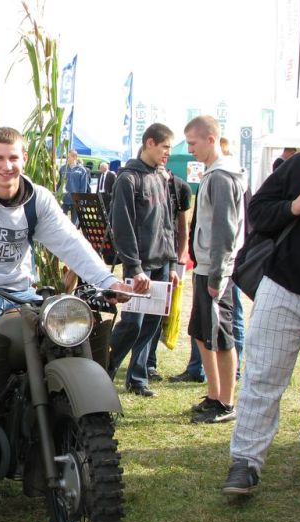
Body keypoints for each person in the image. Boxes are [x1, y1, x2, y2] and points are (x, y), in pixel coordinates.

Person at [0, 126, 131, 367]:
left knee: (66, 343)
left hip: (22, 295)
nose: (7, 166)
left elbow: (71, 242)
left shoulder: (38, 199)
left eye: (13, 157)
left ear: (24, 159)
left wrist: (108, 282)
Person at [222, 151, 300, 495]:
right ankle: (245, 463)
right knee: (261, 378)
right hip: (282, 287)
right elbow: (257, 212)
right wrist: (293, 206)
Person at [106, 124, 178, 397]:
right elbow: (122, 226)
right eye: (165, 147)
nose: (167, 153)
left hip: (161, 263)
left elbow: (168, 223)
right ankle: (104, 371)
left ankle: (138, 378)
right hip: (140, 266)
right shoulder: (128, 179)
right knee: (132, 324)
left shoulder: (162, 176)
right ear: (150, 143)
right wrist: (135, 268)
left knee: (152, 323)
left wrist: (172, 265)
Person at [184, 115, 246, 424]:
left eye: (192, 143)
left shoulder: (222, 177)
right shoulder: (213, 174)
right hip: (204, 268)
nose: (189, 149)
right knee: (200, 332)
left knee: (221, 337)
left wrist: (219, 275)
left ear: (211, 139)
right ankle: (213, 394)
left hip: (215, 271)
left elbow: (225, 230)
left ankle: (226, 402)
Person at [146, 169, 192, 382]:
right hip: (146, 256)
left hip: (168, 256)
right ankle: (139, 362)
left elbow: (182, 227)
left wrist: (178, 259)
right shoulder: (142, 181)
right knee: (137, 316)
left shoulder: (180, 186)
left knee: (158, 313)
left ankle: (149, 362)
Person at [58, 149, 89, 226]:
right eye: (67, 157)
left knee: (74, 222)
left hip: (76, 199)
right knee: (61, 219)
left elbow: (83, 187)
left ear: (75, 157)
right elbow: (59, 183)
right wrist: (58, 195)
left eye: (69, 157)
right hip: (64, 199)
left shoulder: (82, 170)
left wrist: (81, 199)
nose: (67, 159)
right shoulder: (63, 169)